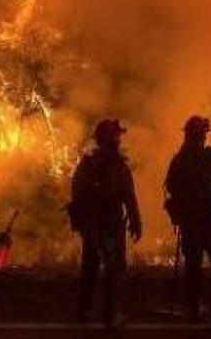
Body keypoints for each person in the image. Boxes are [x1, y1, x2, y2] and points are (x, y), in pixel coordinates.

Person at [163, 115, 211, 324]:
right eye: (204, 133)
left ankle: (194, 307)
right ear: (201, 135)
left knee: (193, 263)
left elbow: (170, 186)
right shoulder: (208, 156)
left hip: (189, 219)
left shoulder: (178, 159)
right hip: (209, 217)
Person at [69, 119, 142, 327]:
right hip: (110, 225)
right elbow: (129, 196)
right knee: (115, 270)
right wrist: (136, 221)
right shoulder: (119, 166)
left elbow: (76, 192)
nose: (119, 138)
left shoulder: (87, 163)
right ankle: (112, 314)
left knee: (89, 269)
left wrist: (83, 221)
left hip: (92, 226)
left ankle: (83, 312)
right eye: (117, 135)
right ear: (111, 138)